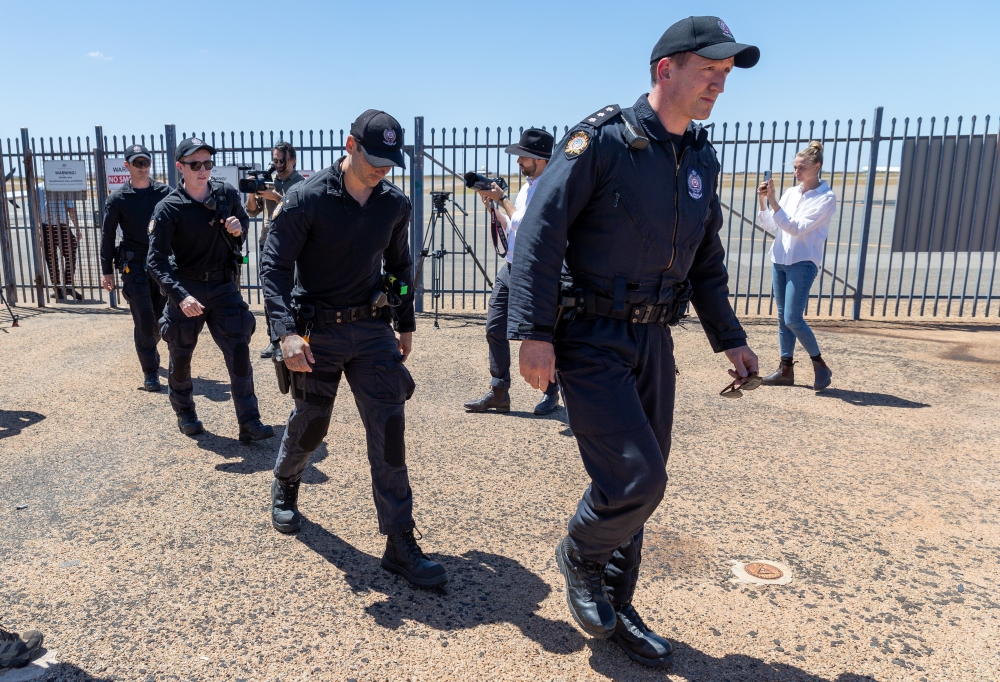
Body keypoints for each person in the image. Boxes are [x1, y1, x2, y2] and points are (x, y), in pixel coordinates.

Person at [507, 16, 760, 668]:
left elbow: (706, 261)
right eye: (709, 72)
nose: (718, 87)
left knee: (643, 488)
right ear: (664, 69)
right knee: (636, 478)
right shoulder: (604, 142)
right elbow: (540, 234)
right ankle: (580, 555)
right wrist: (533, 335)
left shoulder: (698, 158)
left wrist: (728, 339)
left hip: (653, 342)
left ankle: (617, 609)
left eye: (725, 76)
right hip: (590, 335)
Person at [261, 110, 446, 588]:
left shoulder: (394, 204)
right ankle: (286, 481)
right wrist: (284, 333)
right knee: (313, 422)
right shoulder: (306, 200)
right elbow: (275, 269)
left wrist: (405, 323)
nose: (383, 169)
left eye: (390, 161)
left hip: (370, 329)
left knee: (389, 428)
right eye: (375, 159)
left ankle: (399, 541)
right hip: (315, 332)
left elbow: (400, 265)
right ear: (349, 145)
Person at [147, 137, 274, 442]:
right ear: (181, 167)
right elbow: (155, 261)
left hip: (223, 285)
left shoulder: (226, 194)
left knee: (239, 351)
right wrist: (180, 296)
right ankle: (185, 412)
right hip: (187, 286)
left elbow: (242, 226)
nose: (203, 170)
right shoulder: (168, 208)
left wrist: (237, 229)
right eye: (195, 165)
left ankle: (249, 421)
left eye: (207, 163)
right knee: (181, 352)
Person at [464, 128, 561, 416]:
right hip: (511, 268)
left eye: (523, 157)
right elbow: (514, 227)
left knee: (543, 334)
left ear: (539, 159)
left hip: (535, 272)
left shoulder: (550, 187)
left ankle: (551, 391)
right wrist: (495, 207)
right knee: (494, 328)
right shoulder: (529, 185)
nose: (518, 162)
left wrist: (502, 197)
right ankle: (499, 391)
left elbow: (529, 221)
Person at [757, 142, 835, 390]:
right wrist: (763, 202)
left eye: (802, 167)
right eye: (794, 167)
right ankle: (785, 369)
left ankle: (819, 363)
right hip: (779, 259)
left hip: (803, 261)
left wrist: (774, 203)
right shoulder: (791, 193)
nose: (796, 172)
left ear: (817, 167)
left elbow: (797, 228)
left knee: (792, 317)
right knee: (783, 317)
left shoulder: (826, 198)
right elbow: (771, 225)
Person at [100, 144, 172, 391]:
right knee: (143, 318)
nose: (143, 168)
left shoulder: (165, 193)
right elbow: (107, 235)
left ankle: (151, 346)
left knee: (161, 320)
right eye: (137, 163)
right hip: (134, 266)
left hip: (162, 264)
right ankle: (150, 372)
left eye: (146, 163)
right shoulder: (118, 198)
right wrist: (106, 270)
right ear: (127, 166)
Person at [246, 142, 305, 359]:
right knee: (271, 292)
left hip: (291, 243)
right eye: (275, 160)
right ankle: (273, 339)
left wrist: (277, 198)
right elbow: (252, 212)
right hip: (267, 241)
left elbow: (298, 213)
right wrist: (253, 193)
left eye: (282, 160)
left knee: (290, 292)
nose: (278, 164)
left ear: (293, 160)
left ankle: (291, 337)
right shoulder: (270, 181)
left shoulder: (299, 184)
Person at [36, 183, 81, 300]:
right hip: (59, 226)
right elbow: (70, 209)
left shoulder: (39, 187)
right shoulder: (61, 183)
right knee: (69, 254)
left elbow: (35, 209)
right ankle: (65, 286)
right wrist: (77, 229)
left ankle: (59, 288)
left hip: (48, 226)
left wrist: (38, 231)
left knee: (52, 258)